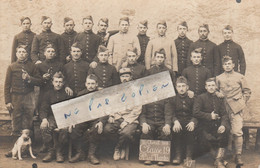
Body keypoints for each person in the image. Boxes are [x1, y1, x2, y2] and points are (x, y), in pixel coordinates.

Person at [216, 56, 251, 166]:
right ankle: (222, 155)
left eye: (229, 64)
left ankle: (238, 155)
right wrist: (218, 94)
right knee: (224, 131)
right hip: (223, 108)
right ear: (223, 66)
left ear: (233, 65)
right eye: (225, 64)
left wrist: (241, 103)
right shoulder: (219, 78)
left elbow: (247, 92)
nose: (227, 66)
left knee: (236, 131)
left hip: (236, 109)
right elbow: (215, 90)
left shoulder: (240, 77)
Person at [103, 67, 142, 161]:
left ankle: (118, 147)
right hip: (117, 117)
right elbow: (111, 105)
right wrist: (112, 115)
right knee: (107, 130)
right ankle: (122, 145)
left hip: (131, 119)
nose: (124, 78)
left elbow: (137, 109)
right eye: (123, 76)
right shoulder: (116, 90)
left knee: (126, 133)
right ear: (120, 78)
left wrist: (127, 121)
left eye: (127, 76)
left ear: (130, 77)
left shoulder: (136, 91)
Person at [69, 74, 107, 164]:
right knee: (74, 128)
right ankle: (80, 153)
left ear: (97, 84)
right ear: (85, 84)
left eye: (93, 83)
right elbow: (76, 110)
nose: (90, 86)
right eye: (89, 83)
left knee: (97, 128)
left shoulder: (101, 94)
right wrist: (73, 120)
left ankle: (91, 155)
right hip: (84, 118)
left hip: (96, 119)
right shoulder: (81, 94)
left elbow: (106, 109)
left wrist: (101, 121)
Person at [4, 45, 41, 137]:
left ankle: (28, 147)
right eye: (19, 52)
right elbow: (7, 85)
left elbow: (39, 81)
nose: (21, 54)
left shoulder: (32, 66)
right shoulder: (12, 67)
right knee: (16, 120)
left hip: (29, 96)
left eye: (23, 52)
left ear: (27, 54)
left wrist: (29, 79)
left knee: (28, 120)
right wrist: (8, 101)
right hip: (16, 97)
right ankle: (16, 148)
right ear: (16, 54)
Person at [193, 78, 229, 168]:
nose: (211, 87)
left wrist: (223, 125)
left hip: (216, 125)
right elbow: (195, 112)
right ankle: (219, 160)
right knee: (205, 137)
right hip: (204, 125)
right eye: (209, 85)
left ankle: (218, 160)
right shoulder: (200, 98)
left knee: (226, 131)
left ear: (216, 86)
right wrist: (210, 116)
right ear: (206, 87)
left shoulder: (219, 99)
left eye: (213, 85)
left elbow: (224, 114)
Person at [39, 72, 71, 163]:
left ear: (63, 83)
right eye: (56, 81)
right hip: (52, 117)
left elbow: (71, 109)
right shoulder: (48, 94)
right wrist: (44, 119)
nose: (58, 84)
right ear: (52, 82)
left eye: (60, 82)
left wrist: (70, 121)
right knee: (45, 128)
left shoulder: (67, 93)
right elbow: (43, 109)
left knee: (64, 130)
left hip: (64, 117)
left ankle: (59, 151)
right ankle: (50, 151)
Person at [170, 76, 196, 166]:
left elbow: (195, 113)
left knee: (190, 131)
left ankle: (188, 156)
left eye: (183, 86)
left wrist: (193, 122)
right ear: (176, 88)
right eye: (179, 86)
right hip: (178, 121)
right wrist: (175, 121)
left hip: (189, 121)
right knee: (176, 130)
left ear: (187, 87)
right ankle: (178, 156)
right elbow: (171, 113)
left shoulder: (192, 98)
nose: (181, 89)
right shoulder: (173, 99)